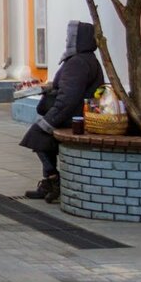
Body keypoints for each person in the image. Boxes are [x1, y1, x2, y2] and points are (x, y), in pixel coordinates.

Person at [20, 21, 103, 203]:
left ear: (77, 39)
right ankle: (49, 182)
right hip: (75, 115)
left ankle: (53, 179)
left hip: (71, 117)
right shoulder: (86, 59)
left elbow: (68, 97)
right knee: (43, 141)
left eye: (69, 36)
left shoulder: (77, 62)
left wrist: (51, 120)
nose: (66, 40)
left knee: (37, 135)